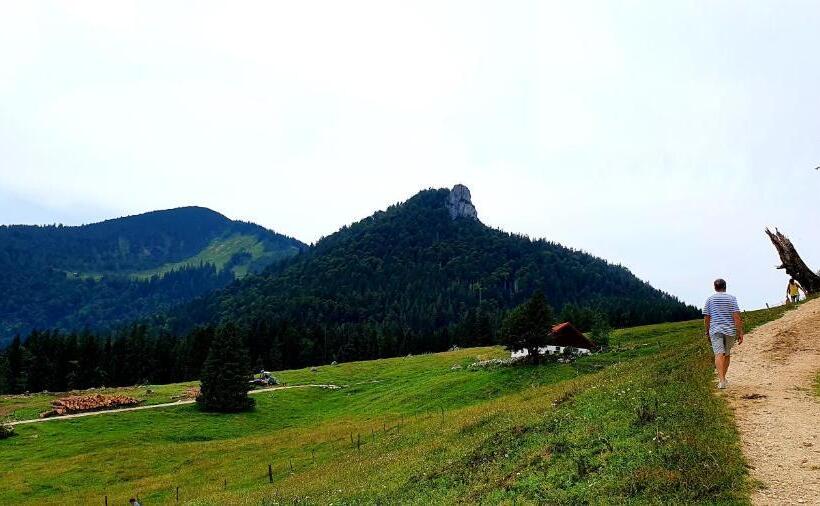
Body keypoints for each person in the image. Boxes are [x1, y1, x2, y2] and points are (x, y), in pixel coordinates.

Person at [703, 278, 744, 389]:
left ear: (715, 287)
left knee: (718, 354)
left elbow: (707, 317)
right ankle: (723, 378)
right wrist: (740, 332)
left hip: (715, 330)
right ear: (725, 287)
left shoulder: (710, 300)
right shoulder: (732, 298)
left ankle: (721, 380)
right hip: (729, 330)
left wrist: (707, 331)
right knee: (726, 354)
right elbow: (736, 316)